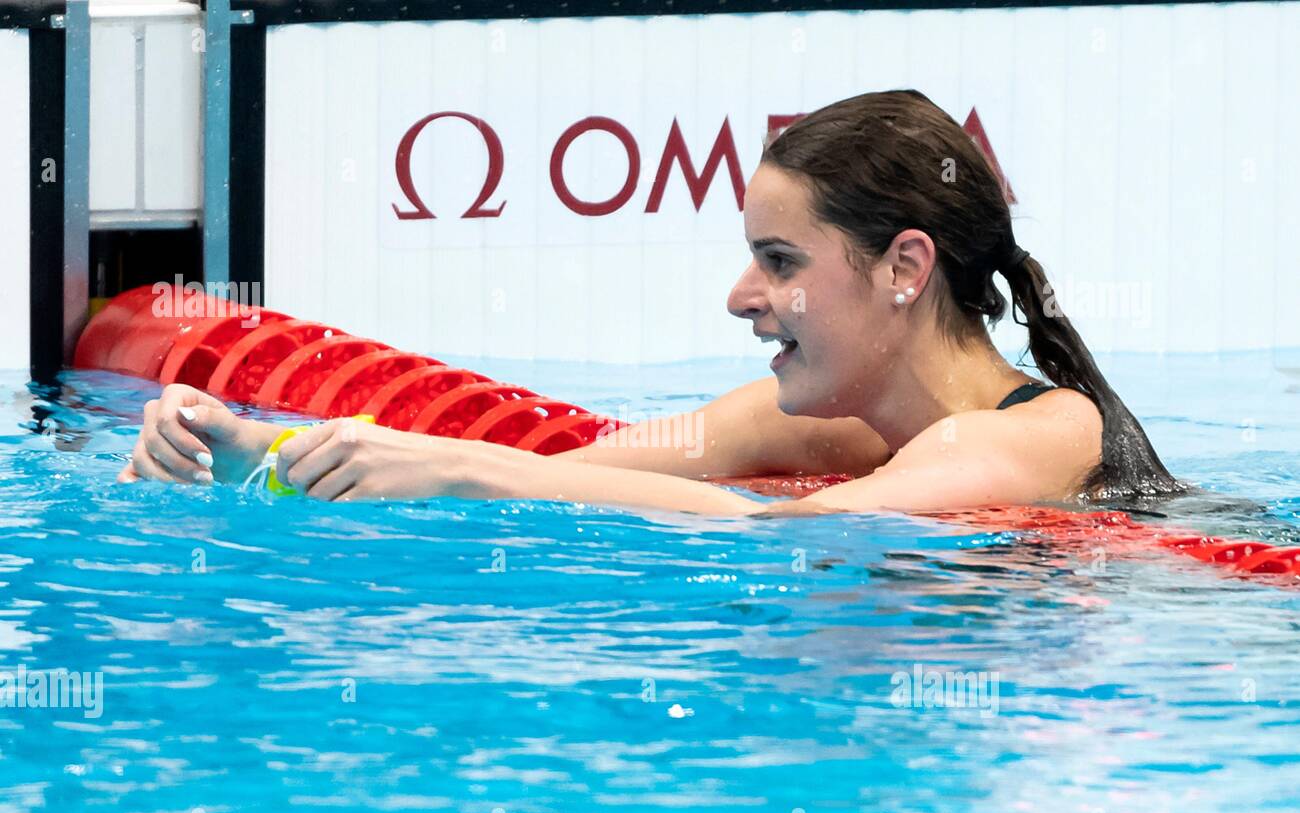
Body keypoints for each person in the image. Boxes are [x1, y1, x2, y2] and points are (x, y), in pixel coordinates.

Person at [118, 90, 1182, 516]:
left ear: (903, 267)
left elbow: (796, 533)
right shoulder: (823, 417)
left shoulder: (1047, 430)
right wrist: (257, 445)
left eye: (777, 258)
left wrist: (453, 457)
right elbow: (565, 475)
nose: (740, 296)